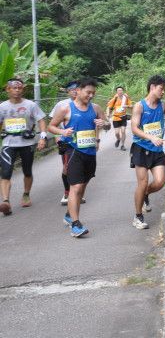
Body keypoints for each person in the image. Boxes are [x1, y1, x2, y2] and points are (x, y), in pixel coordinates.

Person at [48, 77, 107, 237]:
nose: (91, 96)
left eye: (93, 93)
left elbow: (107, 123)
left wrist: (103, 125)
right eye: (88, 92)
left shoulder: (95, 108)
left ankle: (69, 215)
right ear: (78, 90)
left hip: (90, 152)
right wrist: (62, 132)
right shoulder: (66, 109)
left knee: (83, 187)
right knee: (76, 187)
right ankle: (75, 224)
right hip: (72, 151)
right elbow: (51, 126)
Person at [0, 78, 47, 215]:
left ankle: (26, 194)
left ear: (23, 90)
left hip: (27, 143)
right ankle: (6, 202)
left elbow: (41, 121)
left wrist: (42, 137)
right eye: (14, 88)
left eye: (19, 88)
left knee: (27, 171)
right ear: (7, 90)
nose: (17, 90)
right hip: (8, 143)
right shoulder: (2, 107)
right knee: (6, 172)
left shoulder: (30, 105)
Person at [130, 75, 165, 229]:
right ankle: (138, 216)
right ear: (152, 87)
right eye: (161, 89)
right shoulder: (139, 106)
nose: (163, 92)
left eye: (164, 90)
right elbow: (134, 128)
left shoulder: (163, 106)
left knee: (160, 182)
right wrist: (150, 137)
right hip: (141, 148)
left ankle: (145, 194)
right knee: (143, 182)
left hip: (157, 150)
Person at [49, 81, 79, 205]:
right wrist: (57, 136)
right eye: (72, 89)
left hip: (82, 141)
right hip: (66, 141)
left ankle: (77, 192)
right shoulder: (61, 104)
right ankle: (67, 192)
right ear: (67, 91)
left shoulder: (87, 103)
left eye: (78, 88)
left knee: (80, 168)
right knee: (67, 167)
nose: (75, 91)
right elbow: (52, 122)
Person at [107, 86, 133, 151]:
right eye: (118, 90)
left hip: (123, 117)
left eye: (121, 90)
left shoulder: (126, 98)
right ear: (116, 92)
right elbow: (109, 106)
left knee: (123, 131)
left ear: (123, 91)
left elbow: (131, 106)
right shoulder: (115, 98)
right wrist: (108, 114)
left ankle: (122, 145)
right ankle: (118, 139)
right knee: (117, 133)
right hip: (116, 118)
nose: (120, 91)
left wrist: (126, 105)